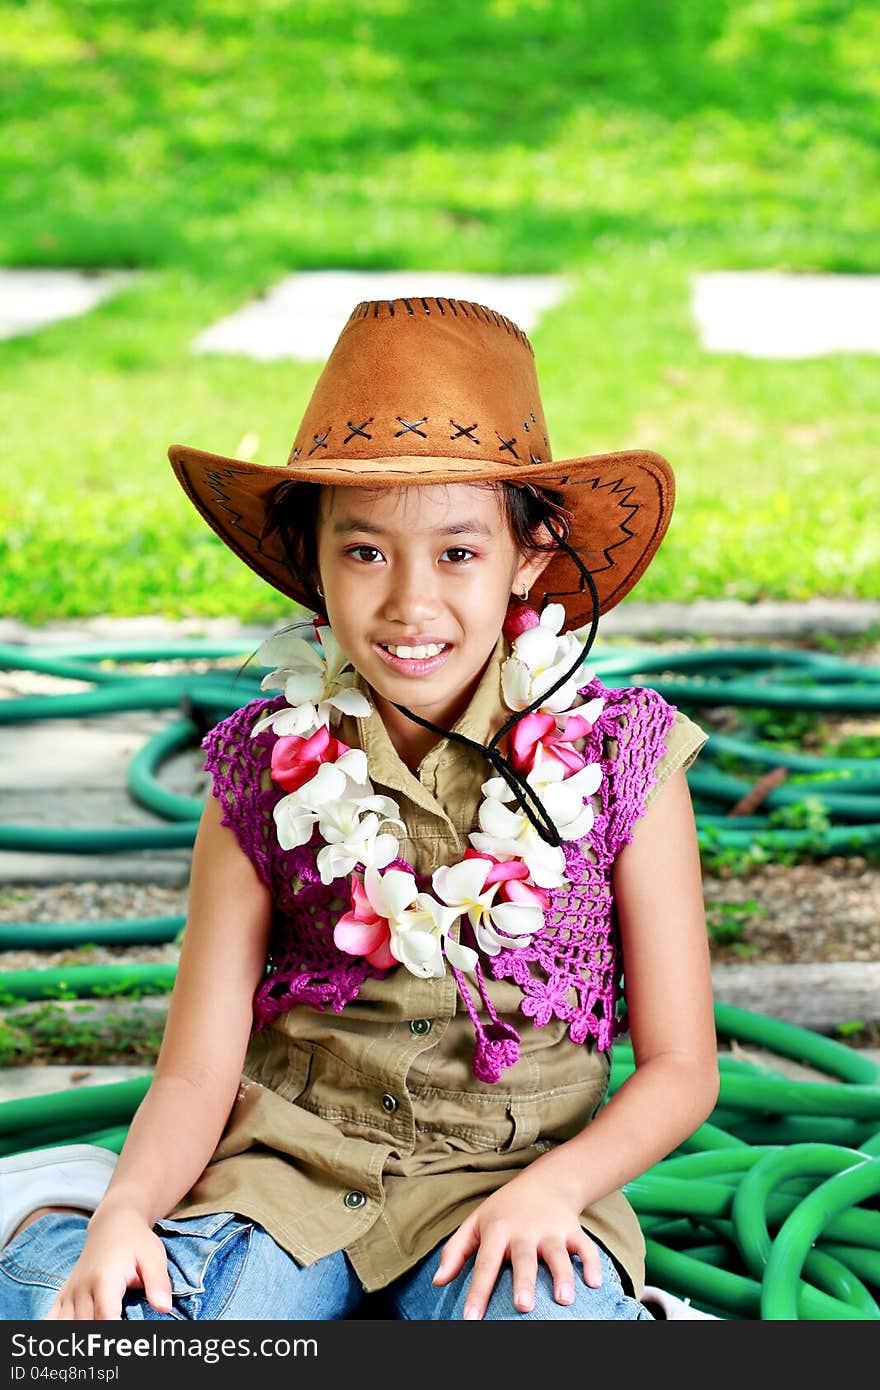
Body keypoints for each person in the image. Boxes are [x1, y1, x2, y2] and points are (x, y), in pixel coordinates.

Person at [0, 295, 719, 1322]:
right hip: (286, 1177)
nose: (409, 604)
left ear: (532, 552)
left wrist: (557, 1190)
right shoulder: (257, 771)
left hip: (506, 1188)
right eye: (365, 550)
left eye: (459, 552)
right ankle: (61, 1240)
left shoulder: (624, 761)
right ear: (313, 557)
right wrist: (124, 1215)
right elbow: (198, 1074)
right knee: (129, 1328)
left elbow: (683, 1065)